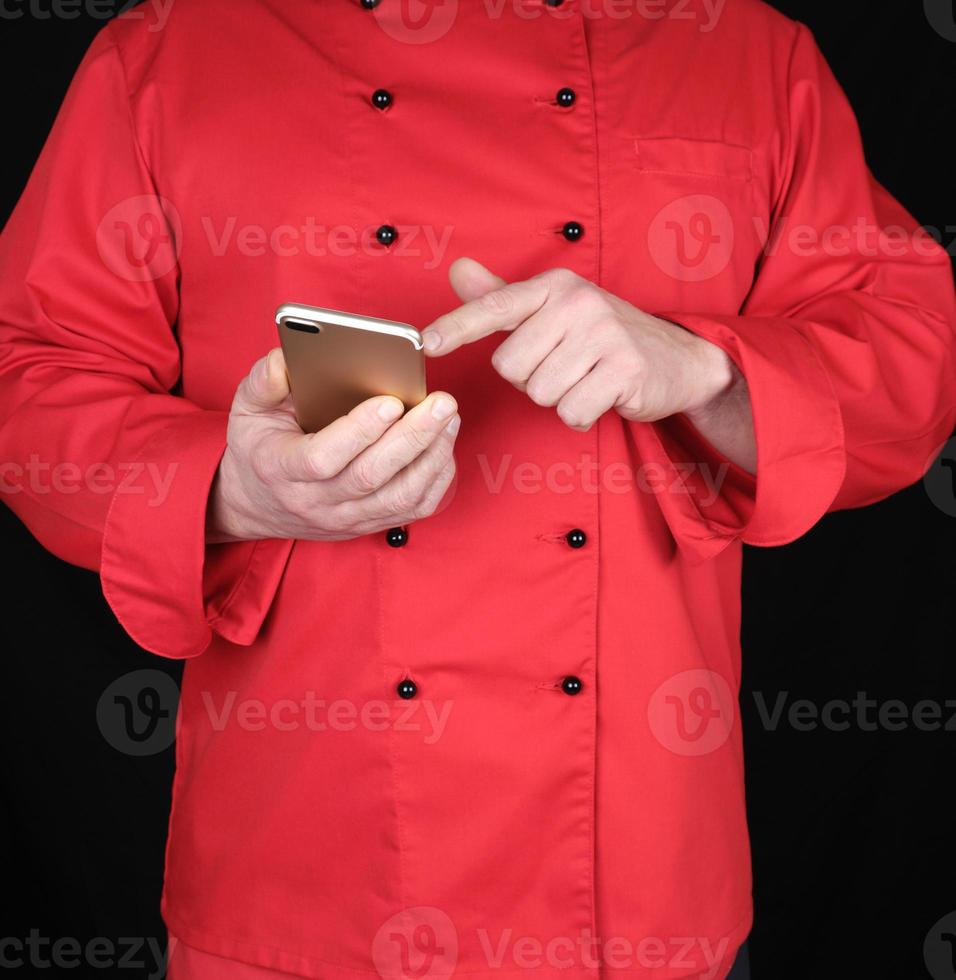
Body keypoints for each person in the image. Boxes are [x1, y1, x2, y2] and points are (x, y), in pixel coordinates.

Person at [1, 2, 954, 979]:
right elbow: (32, 373)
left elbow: (907, 363)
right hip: (297, 872)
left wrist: (708, 367)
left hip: (631, 897)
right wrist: (231, 486)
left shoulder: (739, 49)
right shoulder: (172, 50)